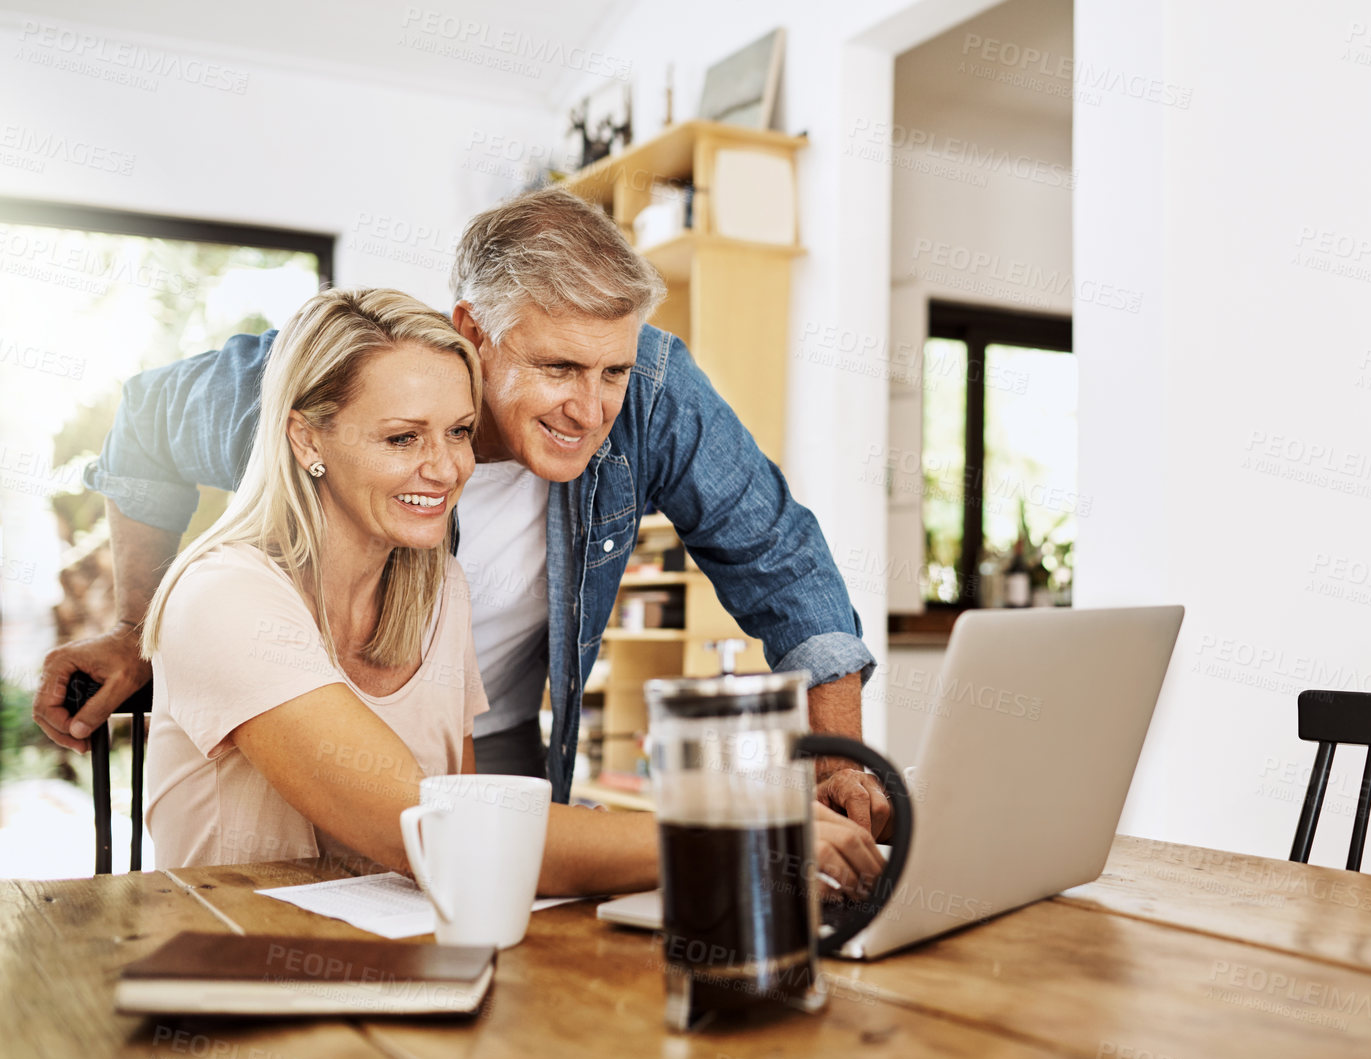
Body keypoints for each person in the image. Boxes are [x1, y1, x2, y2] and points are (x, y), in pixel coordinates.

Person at [31, 186, 894, 838]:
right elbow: (144, 418)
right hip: (301, 720)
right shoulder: (334, 375)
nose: (593, 410)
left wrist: (838, 764)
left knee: (490, 935)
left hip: (483, 736)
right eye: (557, 367)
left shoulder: (652, 393)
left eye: (613, 372)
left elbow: (780, 556)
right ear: (472, 331)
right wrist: (137, 625)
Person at [137, 286, 883, 895]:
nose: (444, 469)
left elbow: (468, 831)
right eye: (402, 438)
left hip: (399, 974)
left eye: (460, 432)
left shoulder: (438, 592)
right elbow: (436, 830)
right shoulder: (224, 599)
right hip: (240, 985)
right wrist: (741, 835)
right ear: (306, 439)